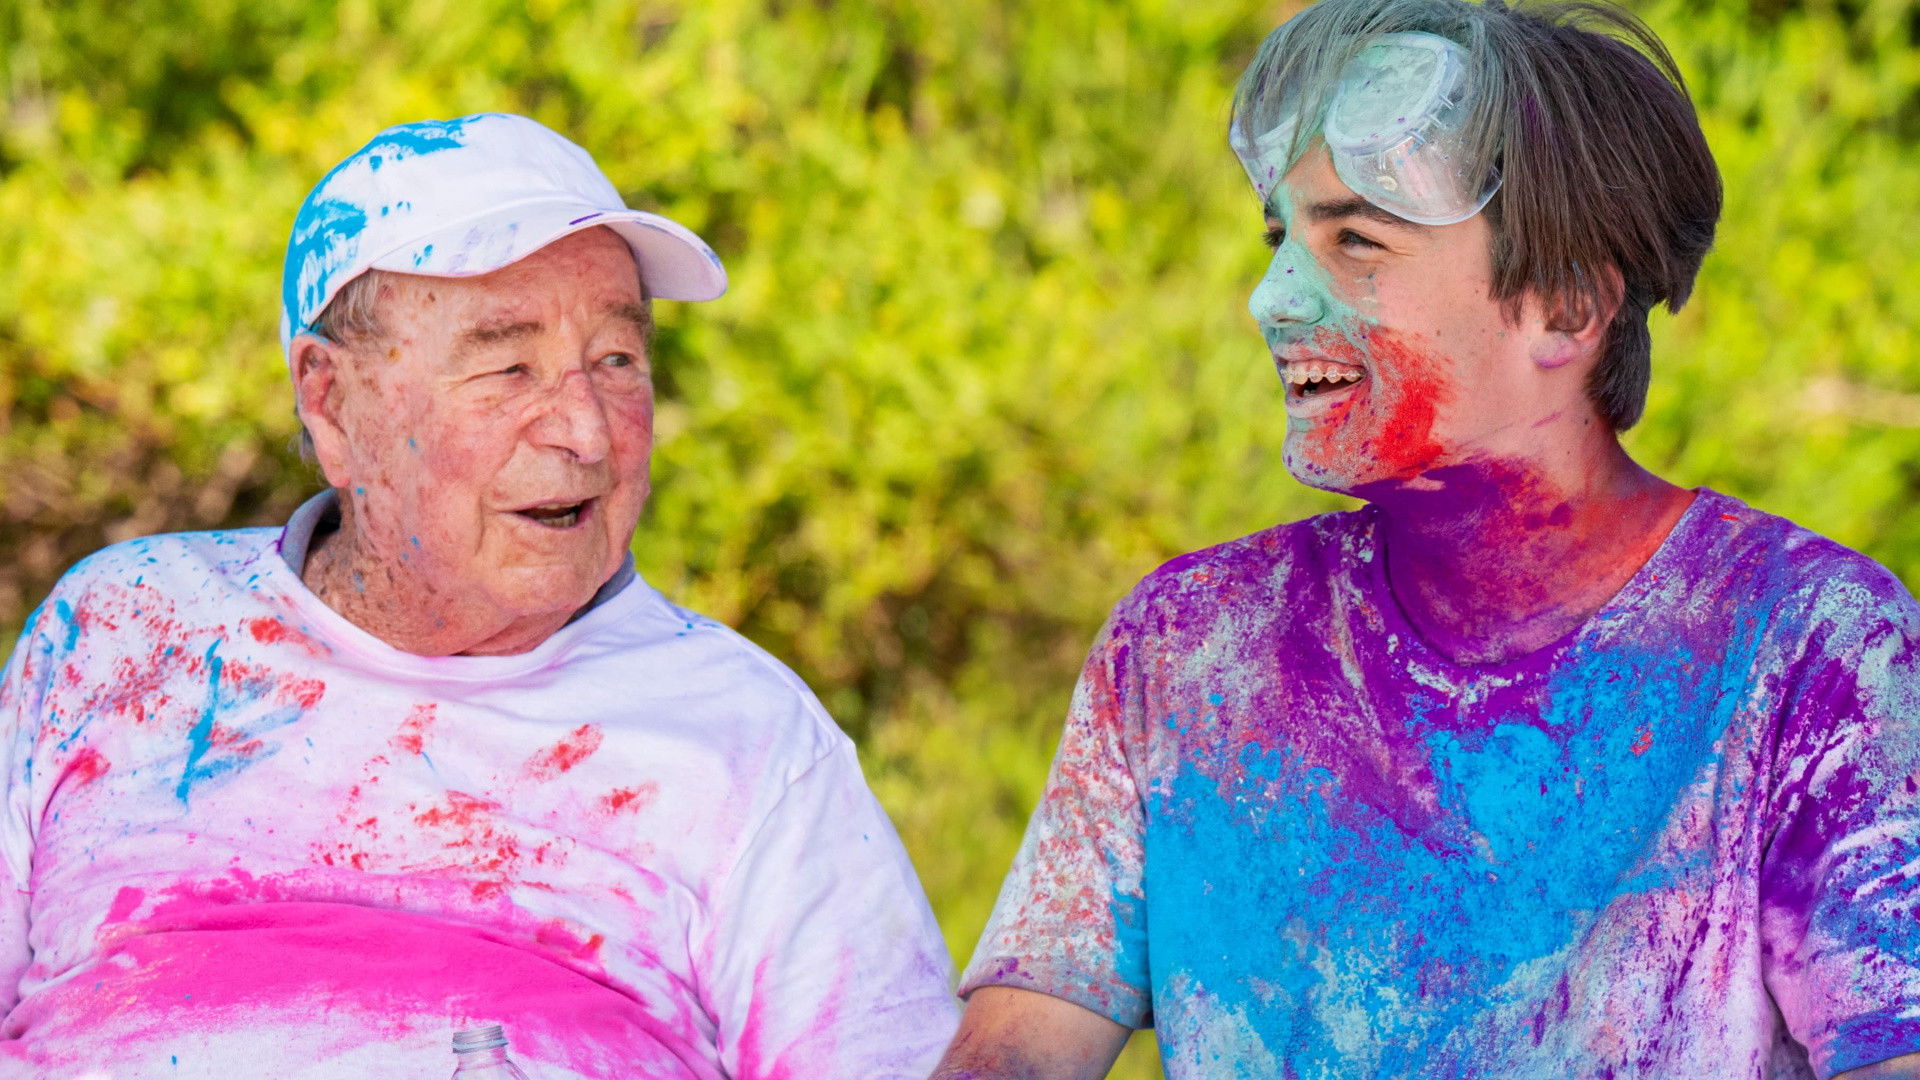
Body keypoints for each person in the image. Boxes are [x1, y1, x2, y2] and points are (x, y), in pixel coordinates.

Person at [932, 1, 1920, 1077]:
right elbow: (1016, 1052)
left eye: (1356, 241)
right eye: (1280, 238)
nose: (1271, 299)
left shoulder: (1816, 651)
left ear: (1564, 307)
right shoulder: (1186, 649)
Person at [0, 112, 957, 1078]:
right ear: (332, 404)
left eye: (616, 360)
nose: (585, 430)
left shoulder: (748, 740)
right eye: (508, 367)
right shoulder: (123, 630)